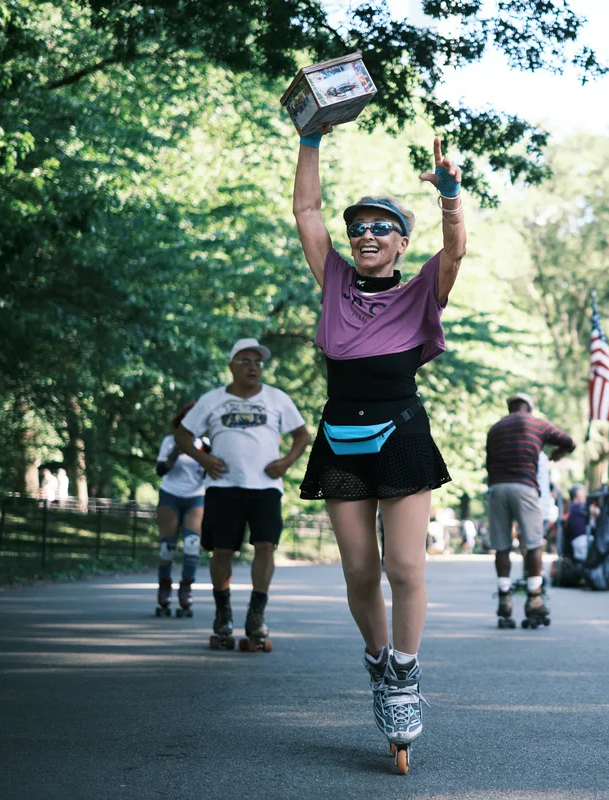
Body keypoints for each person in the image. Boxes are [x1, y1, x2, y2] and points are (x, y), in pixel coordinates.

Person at [291, 126, 462, 770]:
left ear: (400, 241)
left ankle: (407, 677)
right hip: (340, 435)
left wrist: (451, 197)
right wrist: (309, 138)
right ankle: (379, 662)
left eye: (381, 226)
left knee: (406, 570)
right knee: (360, 571)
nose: (366, 234)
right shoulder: (332, 278)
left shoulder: (421, 290)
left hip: (400, 434)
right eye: (358, 225)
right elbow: (307, 211)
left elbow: (456, 255)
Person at [176, 339, 310, 651]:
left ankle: (255, 614)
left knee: (266, 546)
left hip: (265, 488)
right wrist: (204, 460)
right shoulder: (212, 400)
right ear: (232, 366)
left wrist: (287, 462)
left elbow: (302, 434)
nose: (253, 367)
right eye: (246, 361)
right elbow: (182, 434)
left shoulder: (277, 398)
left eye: (258, 362)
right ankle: (223, 614)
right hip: (224, 487)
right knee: (222, 551)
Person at [485, 393, 575, 629]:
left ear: (510, 408)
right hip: (525, 487)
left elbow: (488, 463)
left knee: (502, 545)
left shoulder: (495, 428)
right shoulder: (537, 423)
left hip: (497, 487)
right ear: (529, 408)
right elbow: (569, 441)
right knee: (534, 543)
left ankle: (504, 597)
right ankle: (534, 598)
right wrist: (558, 453)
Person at [154, 401, 208, 617]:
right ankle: (164, 587)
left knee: (192, 544)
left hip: (195, 497)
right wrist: (180, 447)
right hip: (171, 495)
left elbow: (212, 469)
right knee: (168, 546)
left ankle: (186, 587)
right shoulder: (170, 441)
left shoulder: (205, 443)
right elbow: (160, 470)